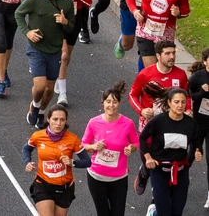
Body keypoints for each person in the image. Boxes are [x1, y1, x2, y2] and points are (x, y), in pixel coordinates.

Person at [17, 0, 77, 129]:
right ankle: (35, 105)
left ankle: (42, 112)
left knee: (50, 89)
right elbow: (19, 14)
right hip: (36, 48)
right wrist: (27, 32)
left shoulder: (67, 3)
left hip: (55, 50)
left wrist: (65, 22)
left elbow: (72, 27)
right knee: (40, 85)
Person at [140, 87, 202, 216]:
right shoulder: (158, 121)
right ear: (169, 103)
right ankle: (155, 210)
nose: (180, 105)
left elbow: (196, 144)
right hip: (160, 171)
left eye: (183, 102)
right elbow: (143, 138)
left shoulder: (191, 123)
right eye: (176, 102)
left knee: (177, 211)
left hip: (180, 171)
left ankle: (155, 211)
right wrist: (148, 158)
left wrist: (197, 153)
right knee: (164, 212)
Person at [80, 82, 137, 216]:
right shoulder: (94, 122)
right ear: (103, 103)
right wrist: (94, 146)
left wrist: (131, 148)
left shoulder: (127, 123)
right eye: (108, 101)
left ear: (119, 104)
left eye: (115, 102)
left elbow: (136, 142)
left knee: (118, 213)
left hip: (118, 178)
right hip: (96, 176)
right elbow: (84, 144)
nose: (111, 105)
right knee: (103, 213)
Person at [26, 103, 82, 216]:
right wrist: (27, 162)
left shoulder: (73, 139)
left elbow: (87, 161)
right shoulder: (38, 136)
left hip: (65, 187)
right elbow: (26, 149)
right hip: (43, 185)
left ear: (66, 120)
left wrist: (72, 162)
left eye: (62, 120)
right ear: (48, 119)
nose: (58, 123)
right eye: (55, 119)